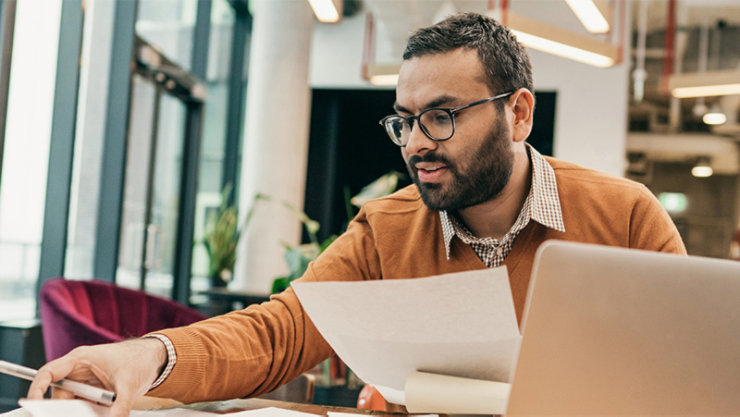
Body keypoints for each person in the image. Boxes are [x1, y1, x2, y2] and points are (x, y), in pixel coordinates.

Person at [28, 12, 685, 417]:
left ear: (518, 113)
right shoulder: (387, 228)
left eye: (442, 115)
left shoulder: (626, 219)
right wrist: (150, 355)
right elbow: (279, 331)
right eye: (405, 120)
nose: (417, 142)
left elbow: (685, 380)